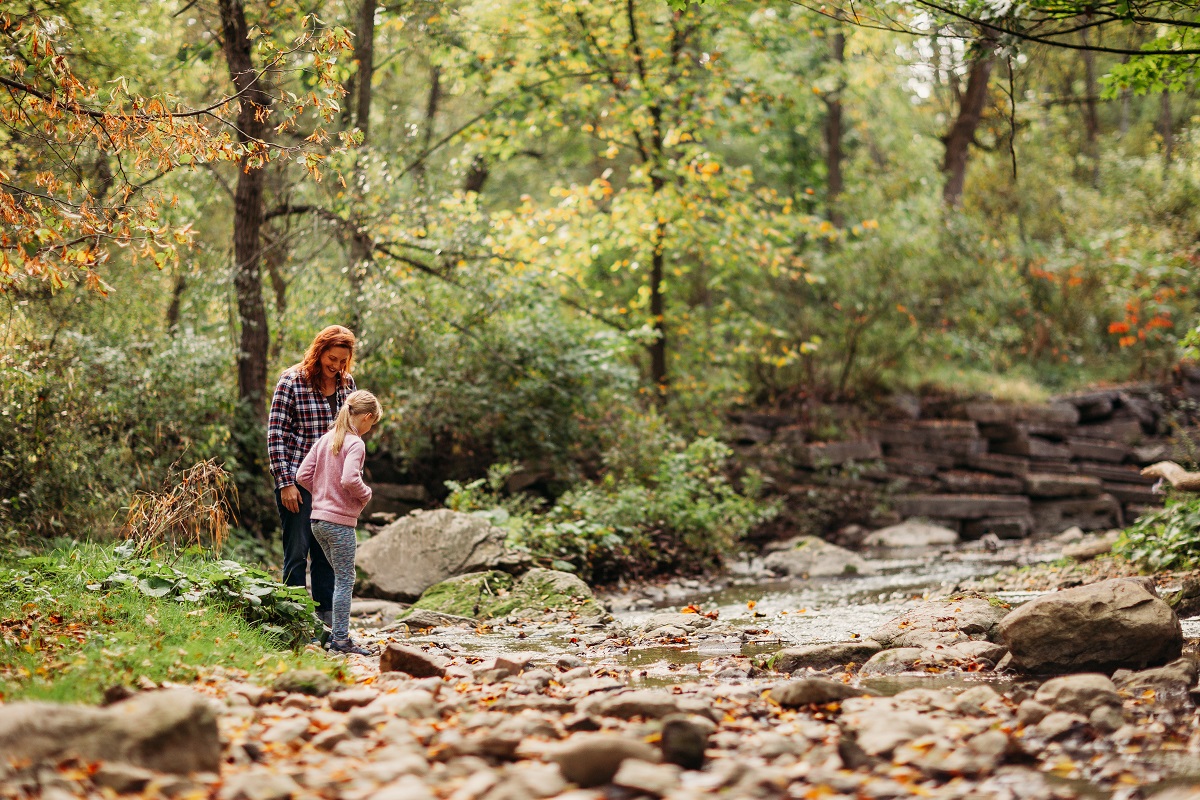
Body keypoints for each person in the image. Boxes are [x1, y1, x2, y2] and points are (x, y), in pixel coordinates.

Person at [267, 325, 357, 634]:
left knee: (326, 558)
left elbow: (351, 435)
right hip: (298, 482)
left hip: (332, 487)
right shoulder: (291, 382)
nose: (336, 366)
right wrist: (284, 483)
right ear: (319, 352)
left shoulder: (347, 386)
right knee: (297, 554)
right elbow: (275, 434)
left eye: (343, 361)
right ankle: (291, 623)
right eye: (332, 358)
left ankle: (327, 627)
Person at [295, 390, 382, 655]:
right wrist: (366, 494)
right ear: (366, 417)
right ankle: (341, 640)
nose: (369, 429)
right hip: (339, 523)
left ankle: (324, 635)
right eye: (372, 424)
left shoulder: (325, 439)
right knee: (345, 580)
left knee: (337, 576)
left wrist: (322, 494)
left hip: (317, 521)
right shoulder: (355, 443)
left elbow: (301, 475)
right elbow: (349, 480)